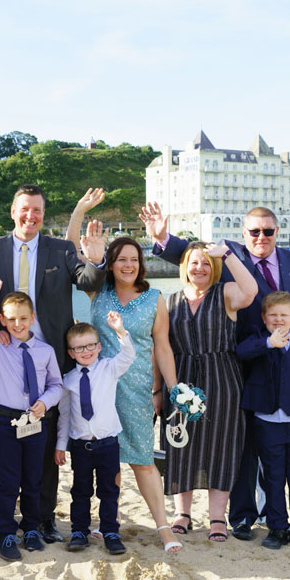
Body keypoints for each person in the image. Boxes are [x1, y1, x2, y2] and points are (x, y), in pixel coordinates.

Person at [142, 203, 290, 541]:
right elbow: (194, 259)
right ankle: (240, 517)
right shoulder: (225, 259)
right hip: (241, 358)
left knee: (238, 443)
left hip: (286, 365)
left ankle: (278, 520)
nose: (261, 237)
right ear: (244, 235)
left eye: (268, 231)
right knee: (237, 447)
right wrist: (163, 237)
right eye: (254, 231)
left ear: (277, 232)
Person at [0, 184, 107, 543]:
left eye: (37, 211)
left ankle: (42, 518)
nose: (31, 217)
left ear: (44, 215)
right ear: (12, 212)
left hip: (49, 362)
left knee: (44, 445)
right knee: (1, 444)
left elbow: (89, 280)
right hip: (6, 361)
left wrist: (95, 259)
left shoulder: (61, 249)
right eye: (24, 209)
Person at [87, 236, 182, 553]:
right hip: (100, 389)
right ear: (110, 264)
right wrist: (79, 214)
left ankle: (164, 528)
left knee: (142, 460)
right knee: (106, 459)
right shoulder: (97, 292)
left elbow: (163, 348)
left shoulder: (155, 298)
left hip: (137, 390)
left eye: (134, 259)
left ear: (141, 264)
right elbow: (75, 253)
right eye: (121, 259)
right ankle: (107, 522)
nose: (128, 265)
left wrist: (173, 389)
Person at [162, 241, 257, 542]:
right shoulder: (170, 301)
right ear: (184, 267)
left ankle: (218, 517)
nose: (199, 268)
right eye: (194, 262)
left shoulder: (226, 294)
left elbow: (251, 290)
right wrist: (159, 388)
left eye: (205, 263)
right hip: (181, 379)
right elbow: (159, 347)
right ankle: (183, 514)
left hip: (222, 378)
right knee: (180, 447)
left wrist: (227, 255)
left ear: (213, 267)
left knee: (222, 446)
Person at [0, 282, 63, 561]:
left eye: (23, 318)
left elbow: (56, 384)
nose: (17, 324)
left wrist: (46, 401)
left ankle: (31, 528)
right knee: (8, 481)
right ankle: (6, 532)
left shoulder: (45, 351)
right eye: (10, 318)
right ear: (3, 320)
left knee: (33, 479)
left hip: (35, 422)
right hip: (5, 423)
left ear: (33, 318)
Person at [236, 291, 290, 555]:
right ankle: (277, 527)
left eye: (283, 315)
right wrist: (269, 344)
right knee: (273, 479)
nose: (278, 320)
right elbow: (241, 352)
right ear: (264, 318)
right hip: (266, 422)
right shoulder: (257, 341)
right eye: (272, 315)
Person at [55, 316, 135, 556]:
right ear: (71, 353)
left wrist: (120, 330)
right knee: (80, 491)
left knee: (109, 491)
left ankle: (110, 531)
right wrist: (61, 445)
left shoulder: (109, 368)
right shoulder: (68, 381)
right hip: (81, 447)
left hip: (108, 444)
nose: (86, 351)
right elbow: (65, 416)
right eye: (79, 347)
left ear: (99, 346)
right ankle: (79, 531)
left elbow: (128, 356)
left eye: (91, 345)